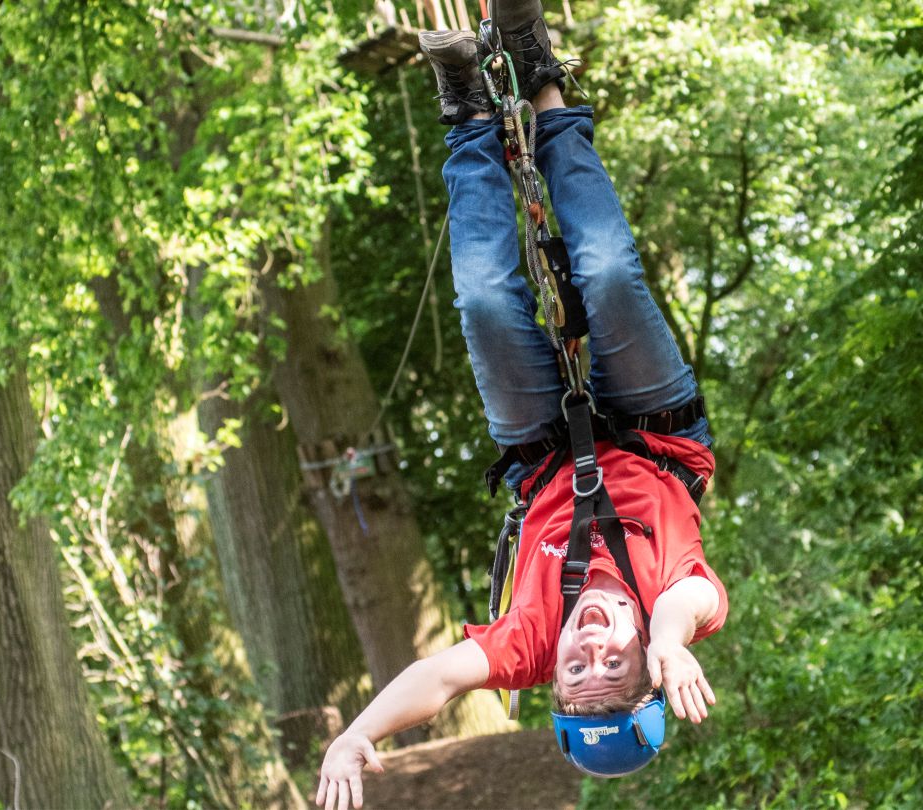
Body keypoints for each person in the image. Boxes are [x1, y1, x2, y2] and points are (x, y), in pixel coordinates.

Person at [314, 2, 727, 806]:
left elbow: (441, 677)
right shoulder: (677, 615)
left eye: (576, 670)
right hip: (659, 435)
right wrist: (671, 643)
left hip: (539, 454)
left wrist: (358, 731)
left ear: (552, 676)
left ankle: (467, 112)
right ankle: (540, 81)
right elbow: (691, 600)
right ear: (650, 663)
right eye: (616, 663)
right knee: (606, 272)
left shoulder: (529, 644)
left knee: (484, 305)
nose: (591, 645)